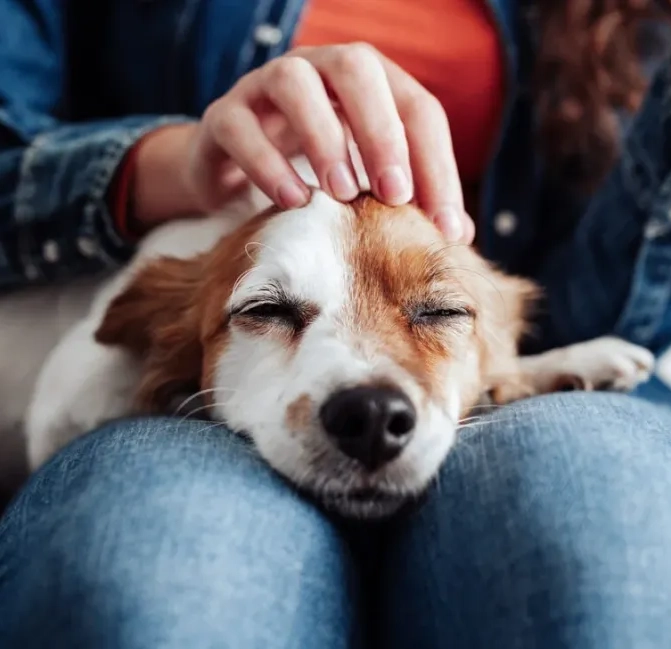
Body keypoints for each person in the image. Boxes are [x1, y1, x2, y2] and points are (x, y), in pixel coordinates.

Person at [1, 0, 671, 646]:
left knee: (599, 541)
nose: (365, 394)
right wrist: (174, 162)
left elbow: (581, 316)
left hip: (500, 384)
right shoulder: (174, 300)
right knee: (163, 576)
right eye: (269, 309)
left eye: (437, 309)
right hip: (196, 423)